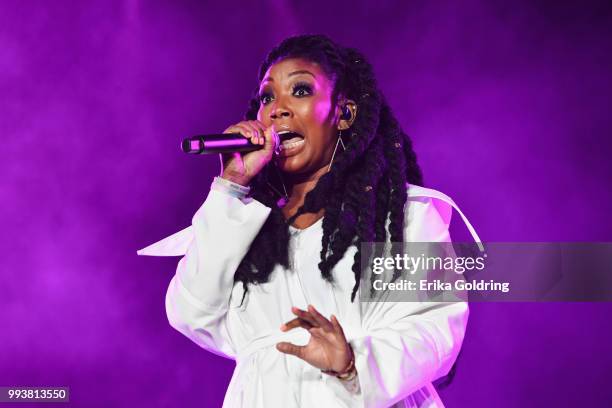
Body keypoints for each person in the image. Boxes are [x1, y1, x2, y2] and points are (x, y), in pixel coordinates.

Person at [138, 34, 481, 408]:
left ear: (344, 114)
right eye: (267, 97)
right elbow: (191, 313)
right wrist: (231, 188)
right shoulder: (242, 231)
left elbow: (434, 324)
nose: (277, 110)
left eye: (300, 90)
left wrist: (353, 364)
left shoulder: (400, 217)